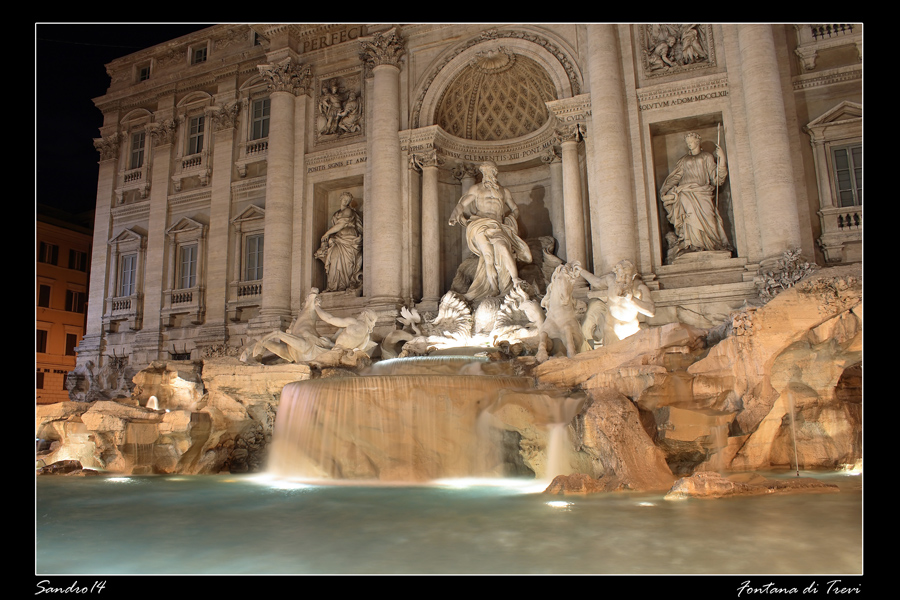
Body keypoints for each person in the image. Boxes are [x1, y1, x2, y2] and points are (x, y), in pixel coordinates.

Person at [448, 161, 532, 301]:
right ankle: (493, 288)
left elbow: (515, 208)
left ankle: (515, 279)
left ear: (495, 172)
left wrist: (511, 218)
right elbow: (462, 204)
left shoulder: (504, 191)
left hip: (497, 225)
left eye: (490, 171)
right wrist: (453, 215)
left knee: (503, 247)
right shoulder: (476, 188)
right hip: (480, 223)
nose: (488, 174)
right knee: (488, 255)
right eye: (485, 171)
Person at [659, 132, 732, 257]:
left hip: (703, 192)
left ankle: (712, 244)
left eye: (691, 142)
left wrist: (722, 159)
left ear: (698, 142)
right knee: (690, 218)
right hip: (686, 193)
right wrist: (665, 189)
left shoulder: (707, 157)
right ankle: (693, 245)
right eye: (688, 143)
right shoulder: (683, 160)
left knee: (709, 218)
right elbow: (676, 177)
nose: (689, 144)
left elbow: (716, 179)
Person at [579, 260, 656, 345]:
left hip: (630, 331)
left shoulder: (639, 288)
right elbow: (596, 282)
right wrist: (581, 271)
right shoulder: (610, 280)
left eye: (627, 276)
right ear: (616, 274)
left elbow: (651, 311)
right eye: (621, 276)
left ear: (633, 276)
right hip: (610, 330)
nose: (623, 279)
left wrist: (631, 299)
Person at [315, 192, 363, 292]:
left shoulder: (348, 211)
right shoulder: (336, 214)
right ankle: (333, 286)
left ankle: (344, 285)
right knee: (334, 259)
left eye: (348, 200)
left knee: (346, 263)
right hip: (338, 240)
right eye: (345, 199)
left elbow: (341, 225)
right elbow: (336, 227)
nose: (346, 201)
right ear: (340, 198)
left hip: (349, 240)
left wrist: (326, 234)